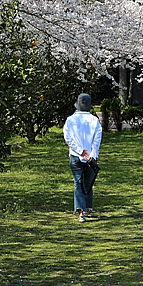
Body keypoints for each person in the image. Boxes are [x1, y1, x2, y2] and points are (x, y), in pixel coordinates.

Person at [63, 93, 102, 222]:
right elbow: (97, 139)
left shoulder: (70, 120)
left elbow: (68, 138)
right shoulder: (94, 120)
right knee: (88, 183)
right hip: (91, 156)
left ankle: (81, 211)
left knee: (78, 183)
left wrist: (80, 151)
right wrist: (92, 154)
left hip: (75, 156)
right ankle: (87, 207)